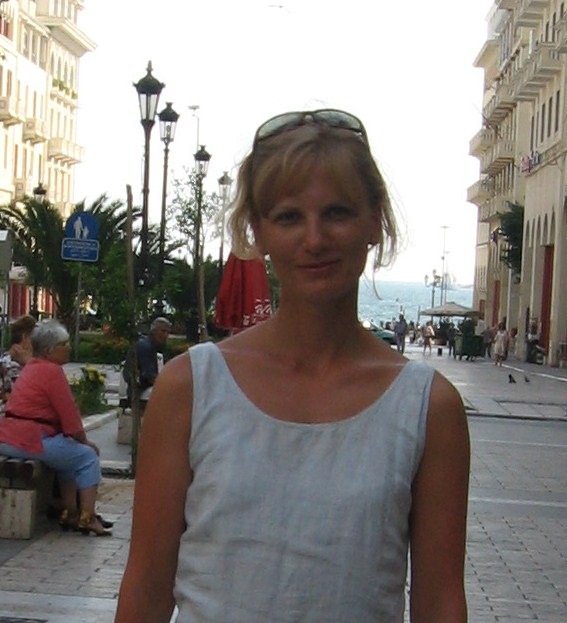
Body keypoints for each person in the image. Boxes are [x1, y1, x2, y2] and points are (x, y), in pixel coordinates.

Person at [115, 109, 469, 622]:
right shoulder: (192, 387)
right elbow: (147, 586)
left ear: (374, 221)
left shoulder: (428, 407)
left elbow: (440, 602)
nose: (315, 239)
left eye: (337, 213)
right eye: (288, 217)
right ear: (258, 231)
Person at [0, 319, 110, 536]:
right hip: (28, 439)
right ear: (49, 350)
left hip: (10, 437)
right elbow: (70, 416)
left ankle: (70, 513)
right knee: (87, 457)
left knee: (69, 458)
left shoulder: (33, 367)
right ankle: (87, 517)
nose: (68, 348)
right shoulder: (51, 372)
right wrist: (85, 442)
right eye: (64, 344)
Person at [123, 316, 171, 405]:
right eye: (163, 331)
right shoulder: (145, 346)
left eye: (168, 332)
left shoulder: (155, 347)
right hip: (139, 390)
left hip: (143, 387)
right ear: (153, 331)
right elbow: (150, 377)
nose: (166, 335)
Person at [0, 315, 37, 414]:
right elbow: (27, 398)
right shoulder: (12, 366)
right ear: (25, 337)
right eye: (35, 338)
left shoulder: (4, 359)